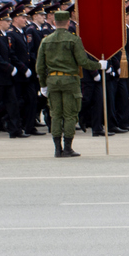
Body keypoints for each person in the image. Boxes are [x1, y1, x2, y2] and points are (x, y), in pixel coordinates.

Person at [36, 9, 100, 158]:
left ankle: (57, 148)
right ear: (68, 23)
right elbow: (82, 62)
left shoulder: (46, 40)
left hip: (52, 80)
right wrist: (99, 65)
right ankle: (68, 148)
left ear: (54, 23)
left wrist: (43, 85)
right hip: (70, 80)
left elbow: (40, 66)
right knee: (70, 115)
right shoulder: (74, 40)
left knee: (56, 115)